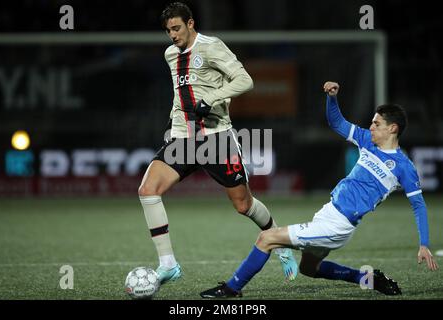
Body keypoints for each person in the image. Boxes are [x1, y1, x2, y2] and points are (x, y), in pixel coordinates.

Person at [200, 81, 439, 298]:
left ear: (393, 128)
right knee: (308, 269)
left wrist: (424, 244)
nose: (371, 126)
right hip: (329, 212)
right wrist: (332, 98)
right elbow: (337, 123)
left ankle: (231, 289)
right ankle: (368, 278)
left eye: (377, 123)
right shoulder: (367, 140)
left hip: (339, 224)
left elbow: (418, 205)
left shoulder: (404, 167)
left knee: (266, 238)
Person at [138, 2, 297, 285]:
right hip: (183, 137)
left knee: (243, 205)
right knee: (148, 190)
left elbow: (244, 80)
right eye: (168, 30)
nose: (172, 35)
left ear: (190, 23)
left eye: (176, 28)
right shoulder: (170, 54)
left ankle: (278, 241)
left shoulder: (212, 47)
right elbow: (181, 93)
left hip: (216, 138)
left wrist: (210, 99)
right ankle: (168, 264)